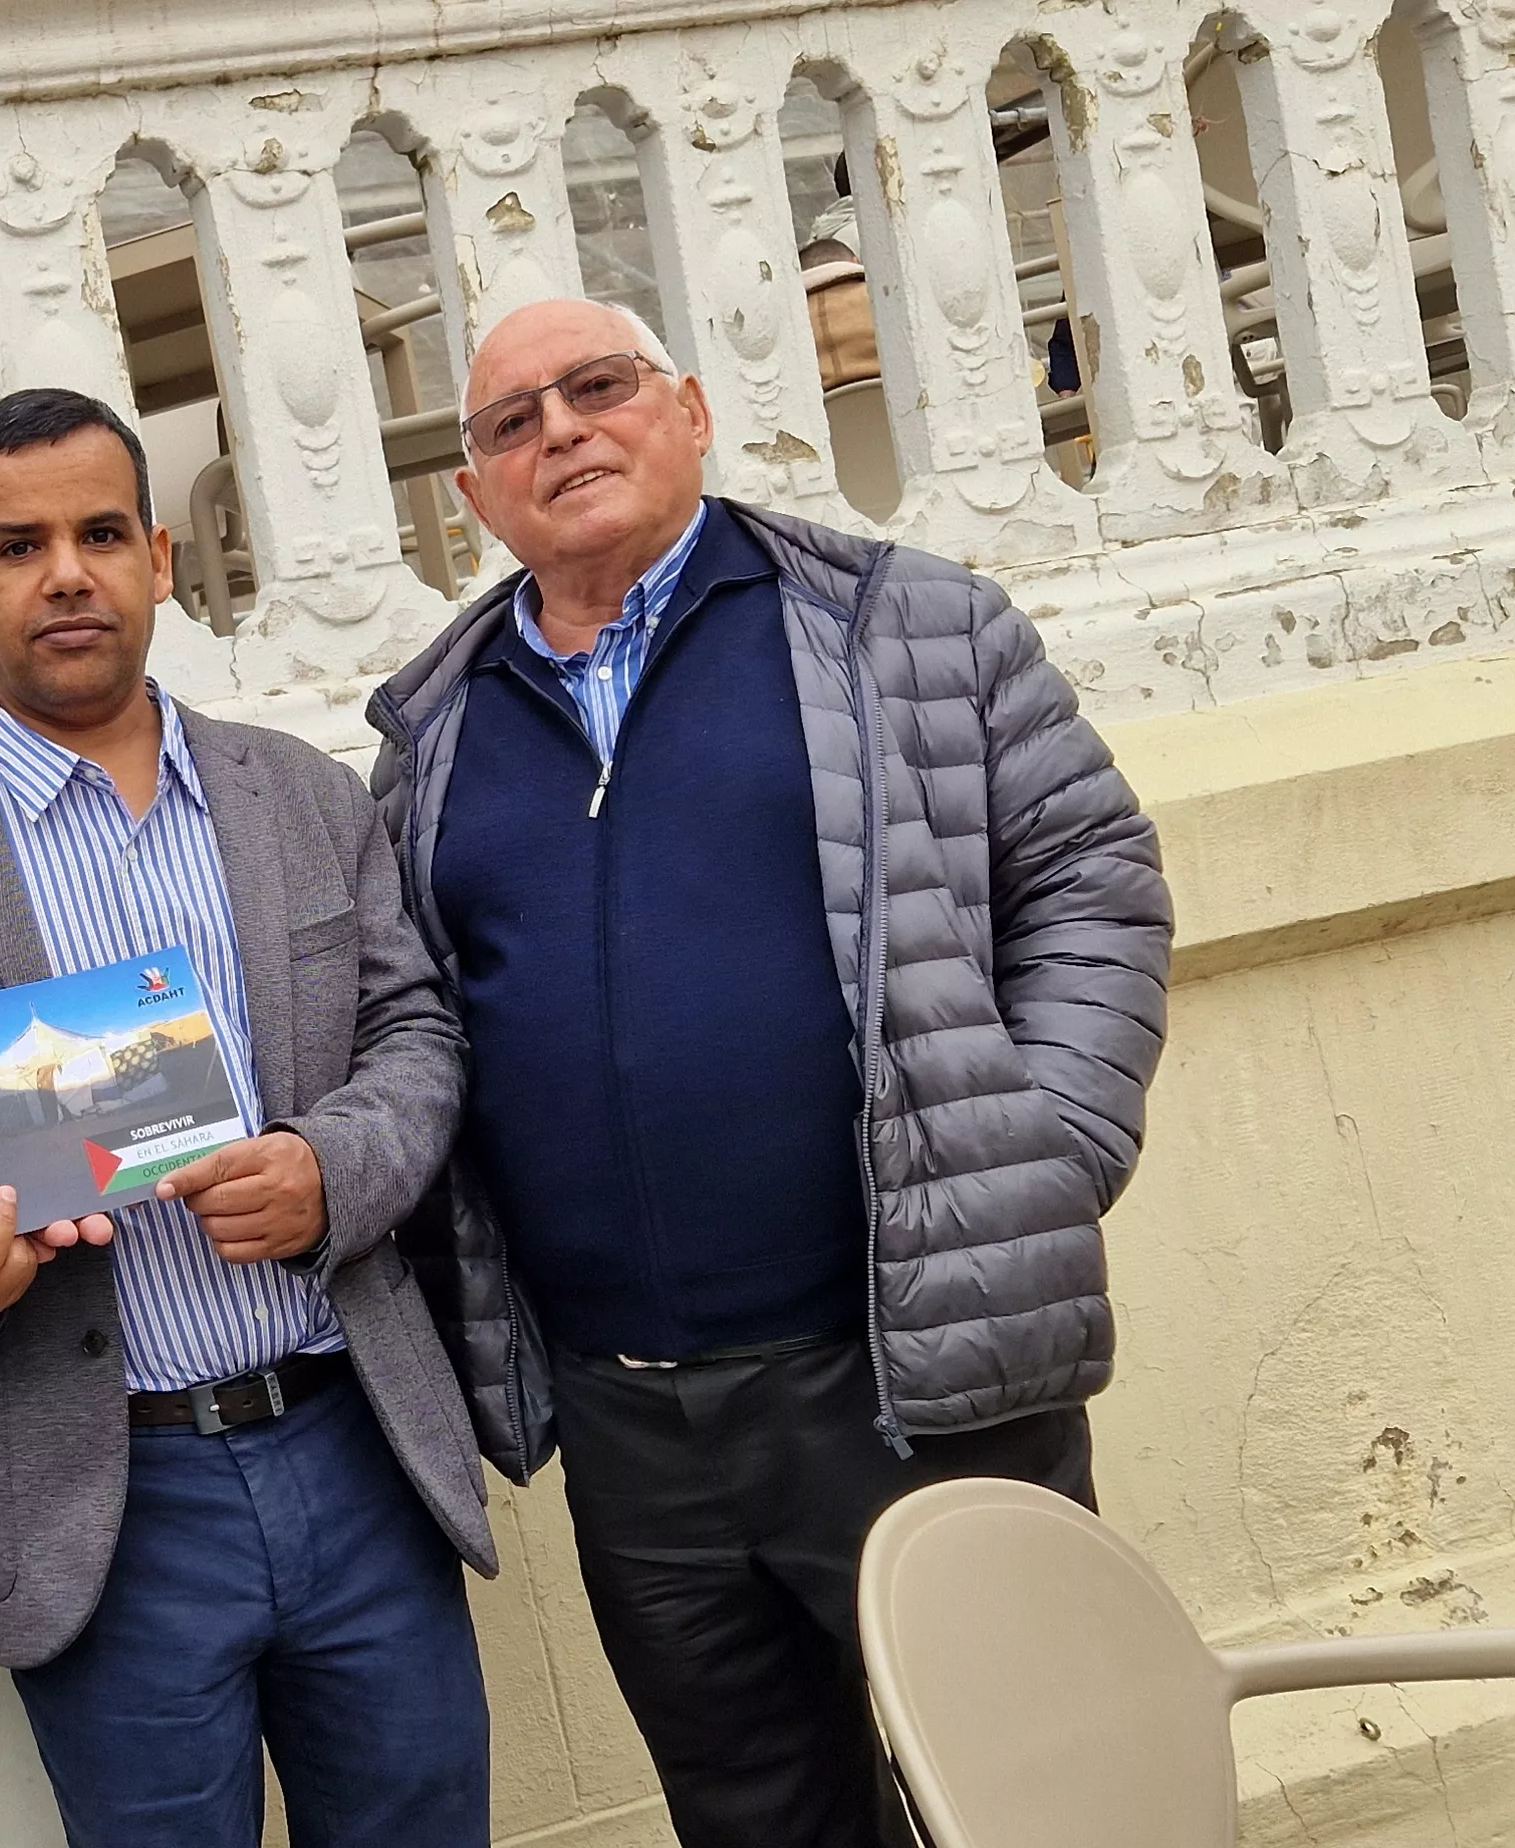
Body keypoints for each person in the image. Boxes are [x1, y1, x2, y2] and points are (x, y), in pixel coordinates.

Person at [365, 299, 1173, 1848]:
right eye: (512, 422)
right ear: (473, 494)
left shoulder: (905, 627)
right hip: (631, 1423)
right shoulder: (434, 732)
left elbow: (1091, 879)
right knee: (757, 1822)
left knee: (1034, 1799)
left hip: (906, 1372)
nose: (561, 431)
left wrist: (1046, 1145)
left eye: (597, 388)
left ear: (688, 410)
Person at [0, 388, 496, 1848]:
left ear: (159, 560)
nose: (67, 574)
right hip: (96, 1498)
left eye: (102, 534)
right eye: (19, 546)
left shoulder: (299, 795)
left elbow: (416, 1030)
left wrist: (332, 1168)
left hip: (350, 1443)